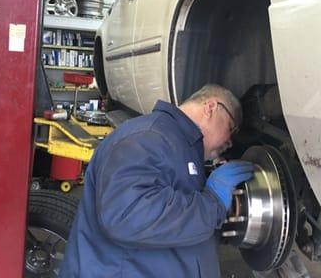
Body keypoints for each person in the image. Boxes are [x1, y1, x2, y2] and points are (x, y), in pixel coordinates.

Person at [59, 84, 255, 278]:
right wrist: (213, 204)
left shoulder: (177, 144)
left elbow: (172, 222)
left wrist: (220, 222)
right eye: (231, 128)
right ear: (211, 107)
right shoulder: (147, 137)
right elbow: (127, 217)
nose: (229, 142)